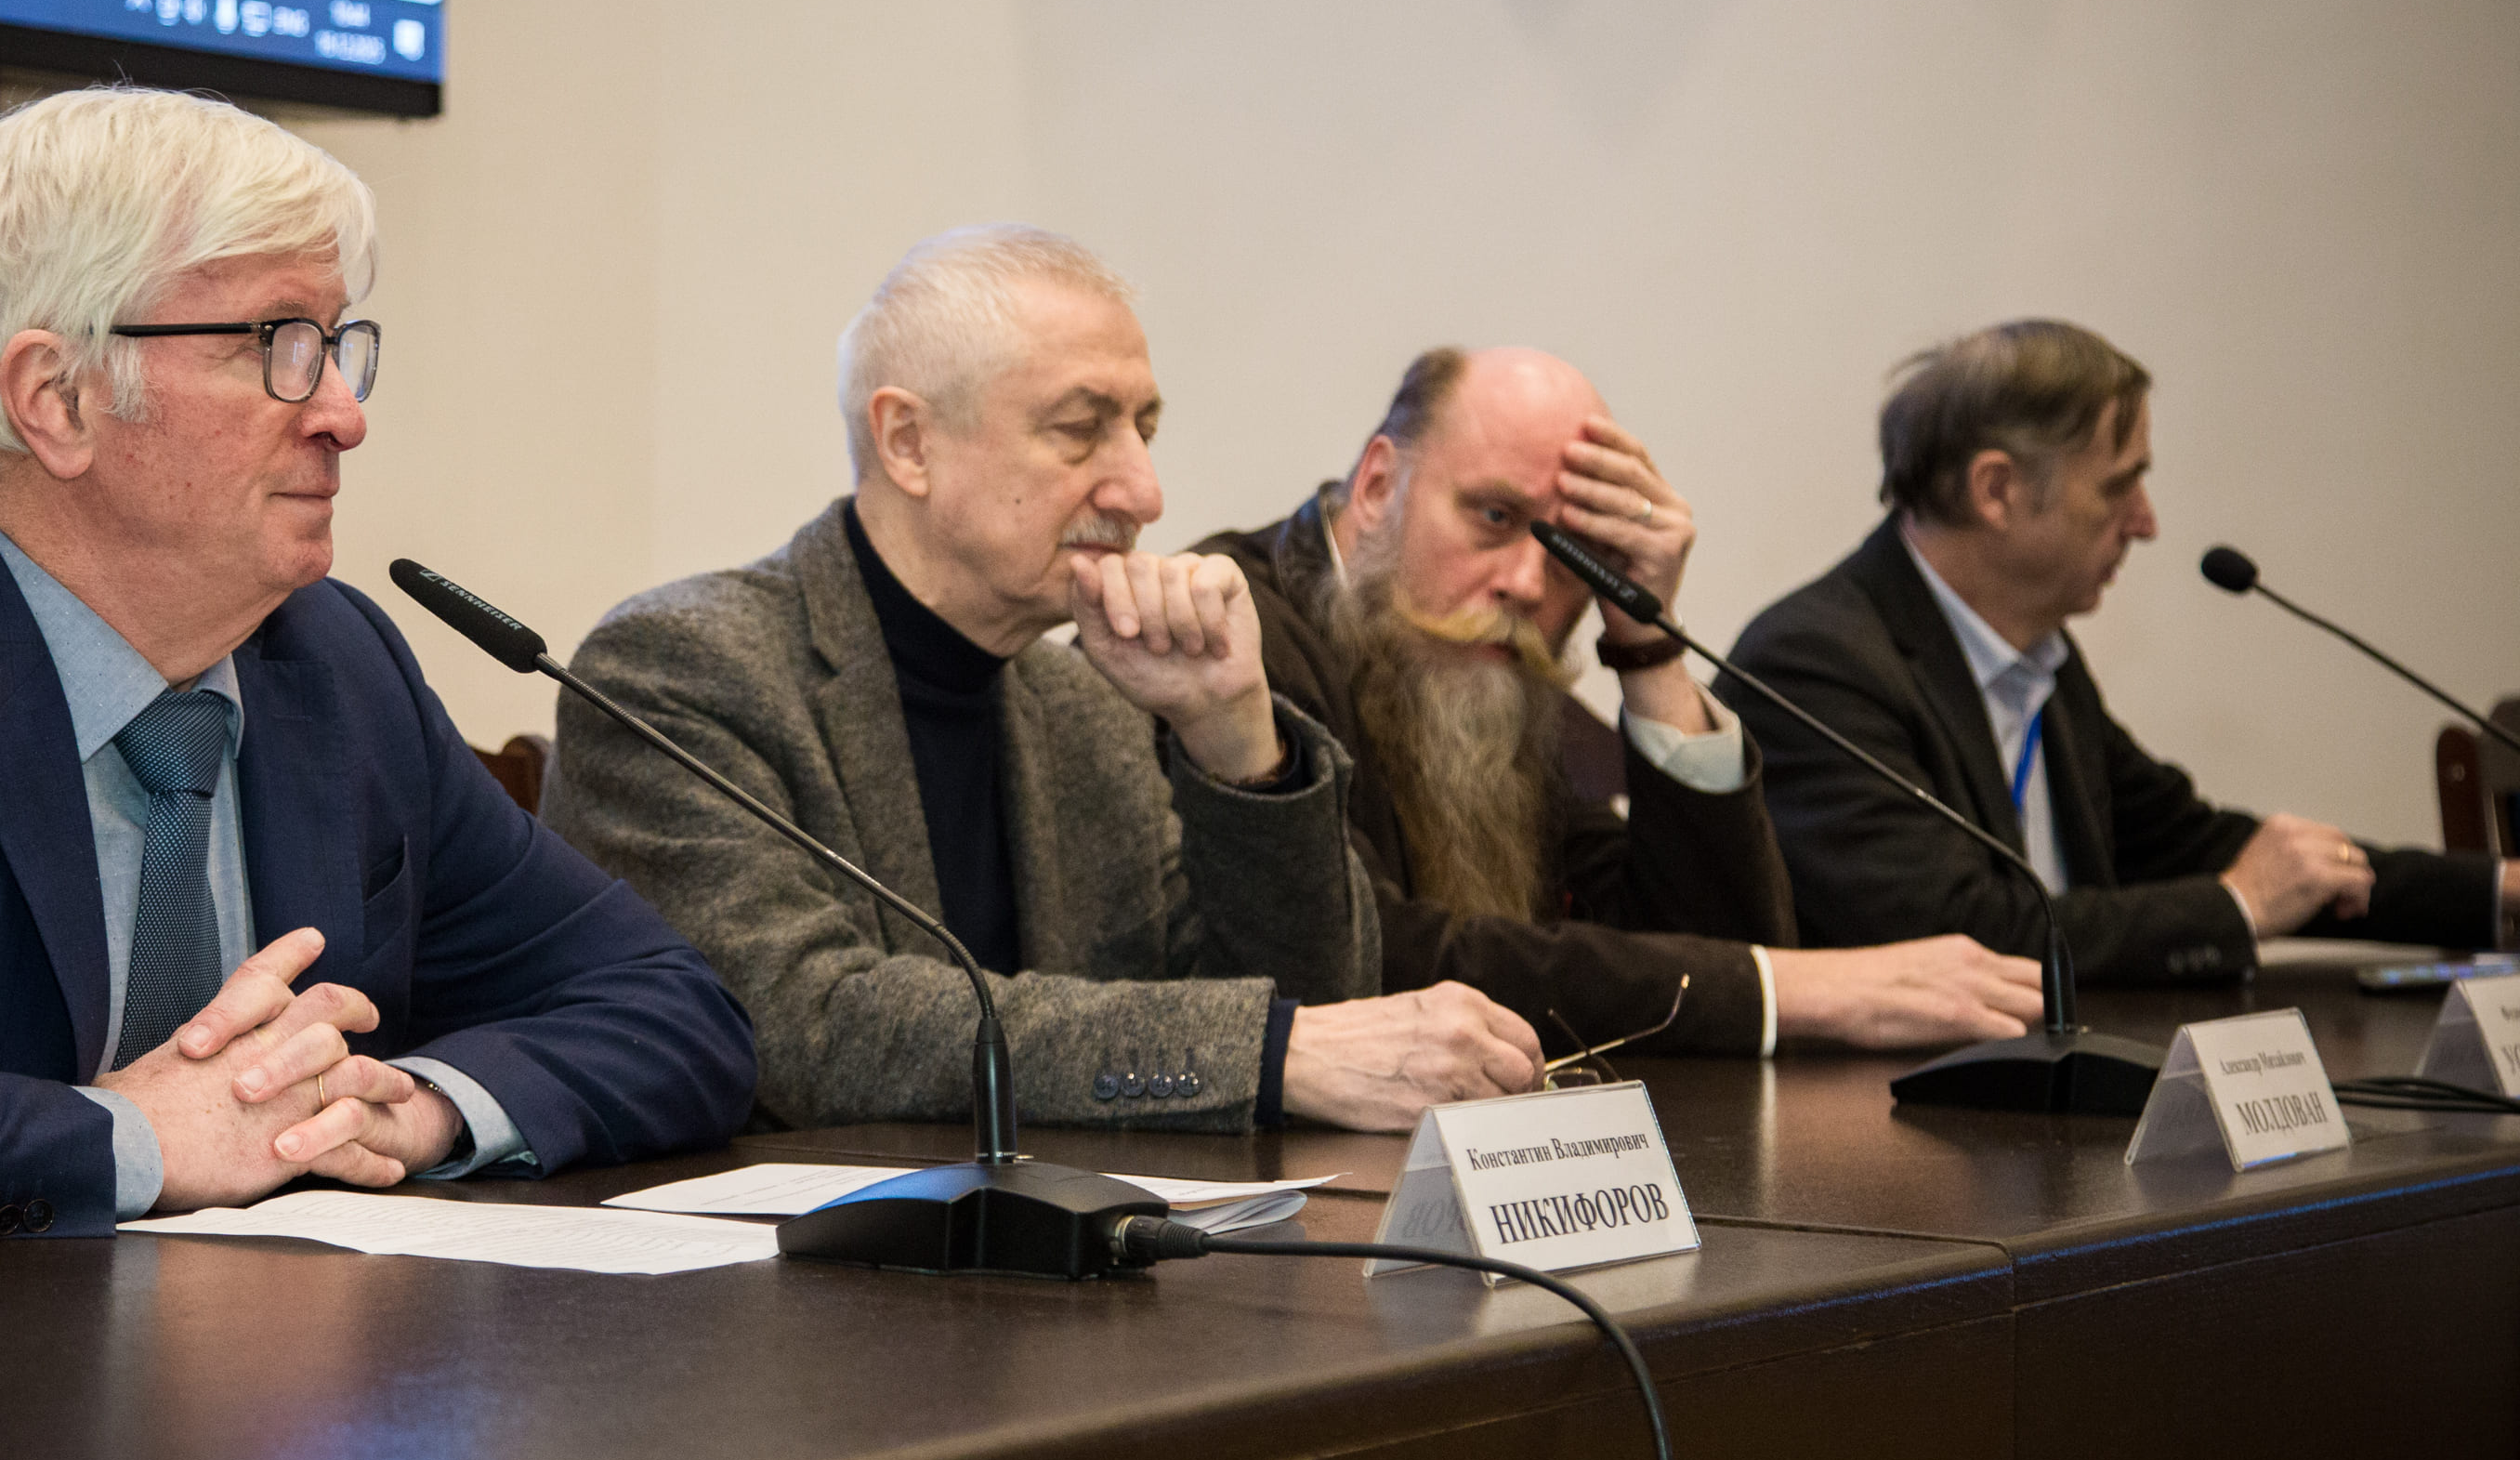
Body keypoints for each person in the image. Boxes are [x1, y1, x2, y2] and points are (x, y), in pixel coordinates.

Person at [0, 88, 754, 1263]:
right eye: (276, 345)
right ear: (57, 399)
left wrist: (419, 1108)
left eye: (337, 344)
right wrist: (136, 1138)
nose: (342, 415)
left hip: (275, 1359)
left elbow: (675, 1007)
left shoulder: (338, 665)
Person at [540, 227, 1545, 1136]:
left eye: (1144, 430)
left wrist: (1239, 743)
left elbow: (1322, 1016)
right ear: (909, 442)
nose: (1144, 491)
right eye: (1080, 428)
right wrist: (1266, 1052)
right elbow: (808, 1028)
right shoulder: (678, 667)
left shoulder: (1084, 704)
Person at [1201, 348, 2048, 1059]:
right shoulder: (1234, 635)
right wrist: (1791, 991)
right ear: (1380, 483)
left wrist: (1649, 645)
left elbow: (1694, 938)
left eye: (1572, 551)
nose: (1527, 583)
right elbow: (1375, 953)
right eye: (1494, 515)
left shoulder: (1480, 668)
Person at [1733, 319, 2518, 979]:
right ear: (1996, 490)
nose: (2146, 523)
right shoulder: (1813, 666)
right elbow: (1954, 938)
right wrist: (2237, 906)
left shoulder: (2038, 658)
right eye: (2117, 487)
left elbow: (2185, 846)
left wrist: (2498, 892)